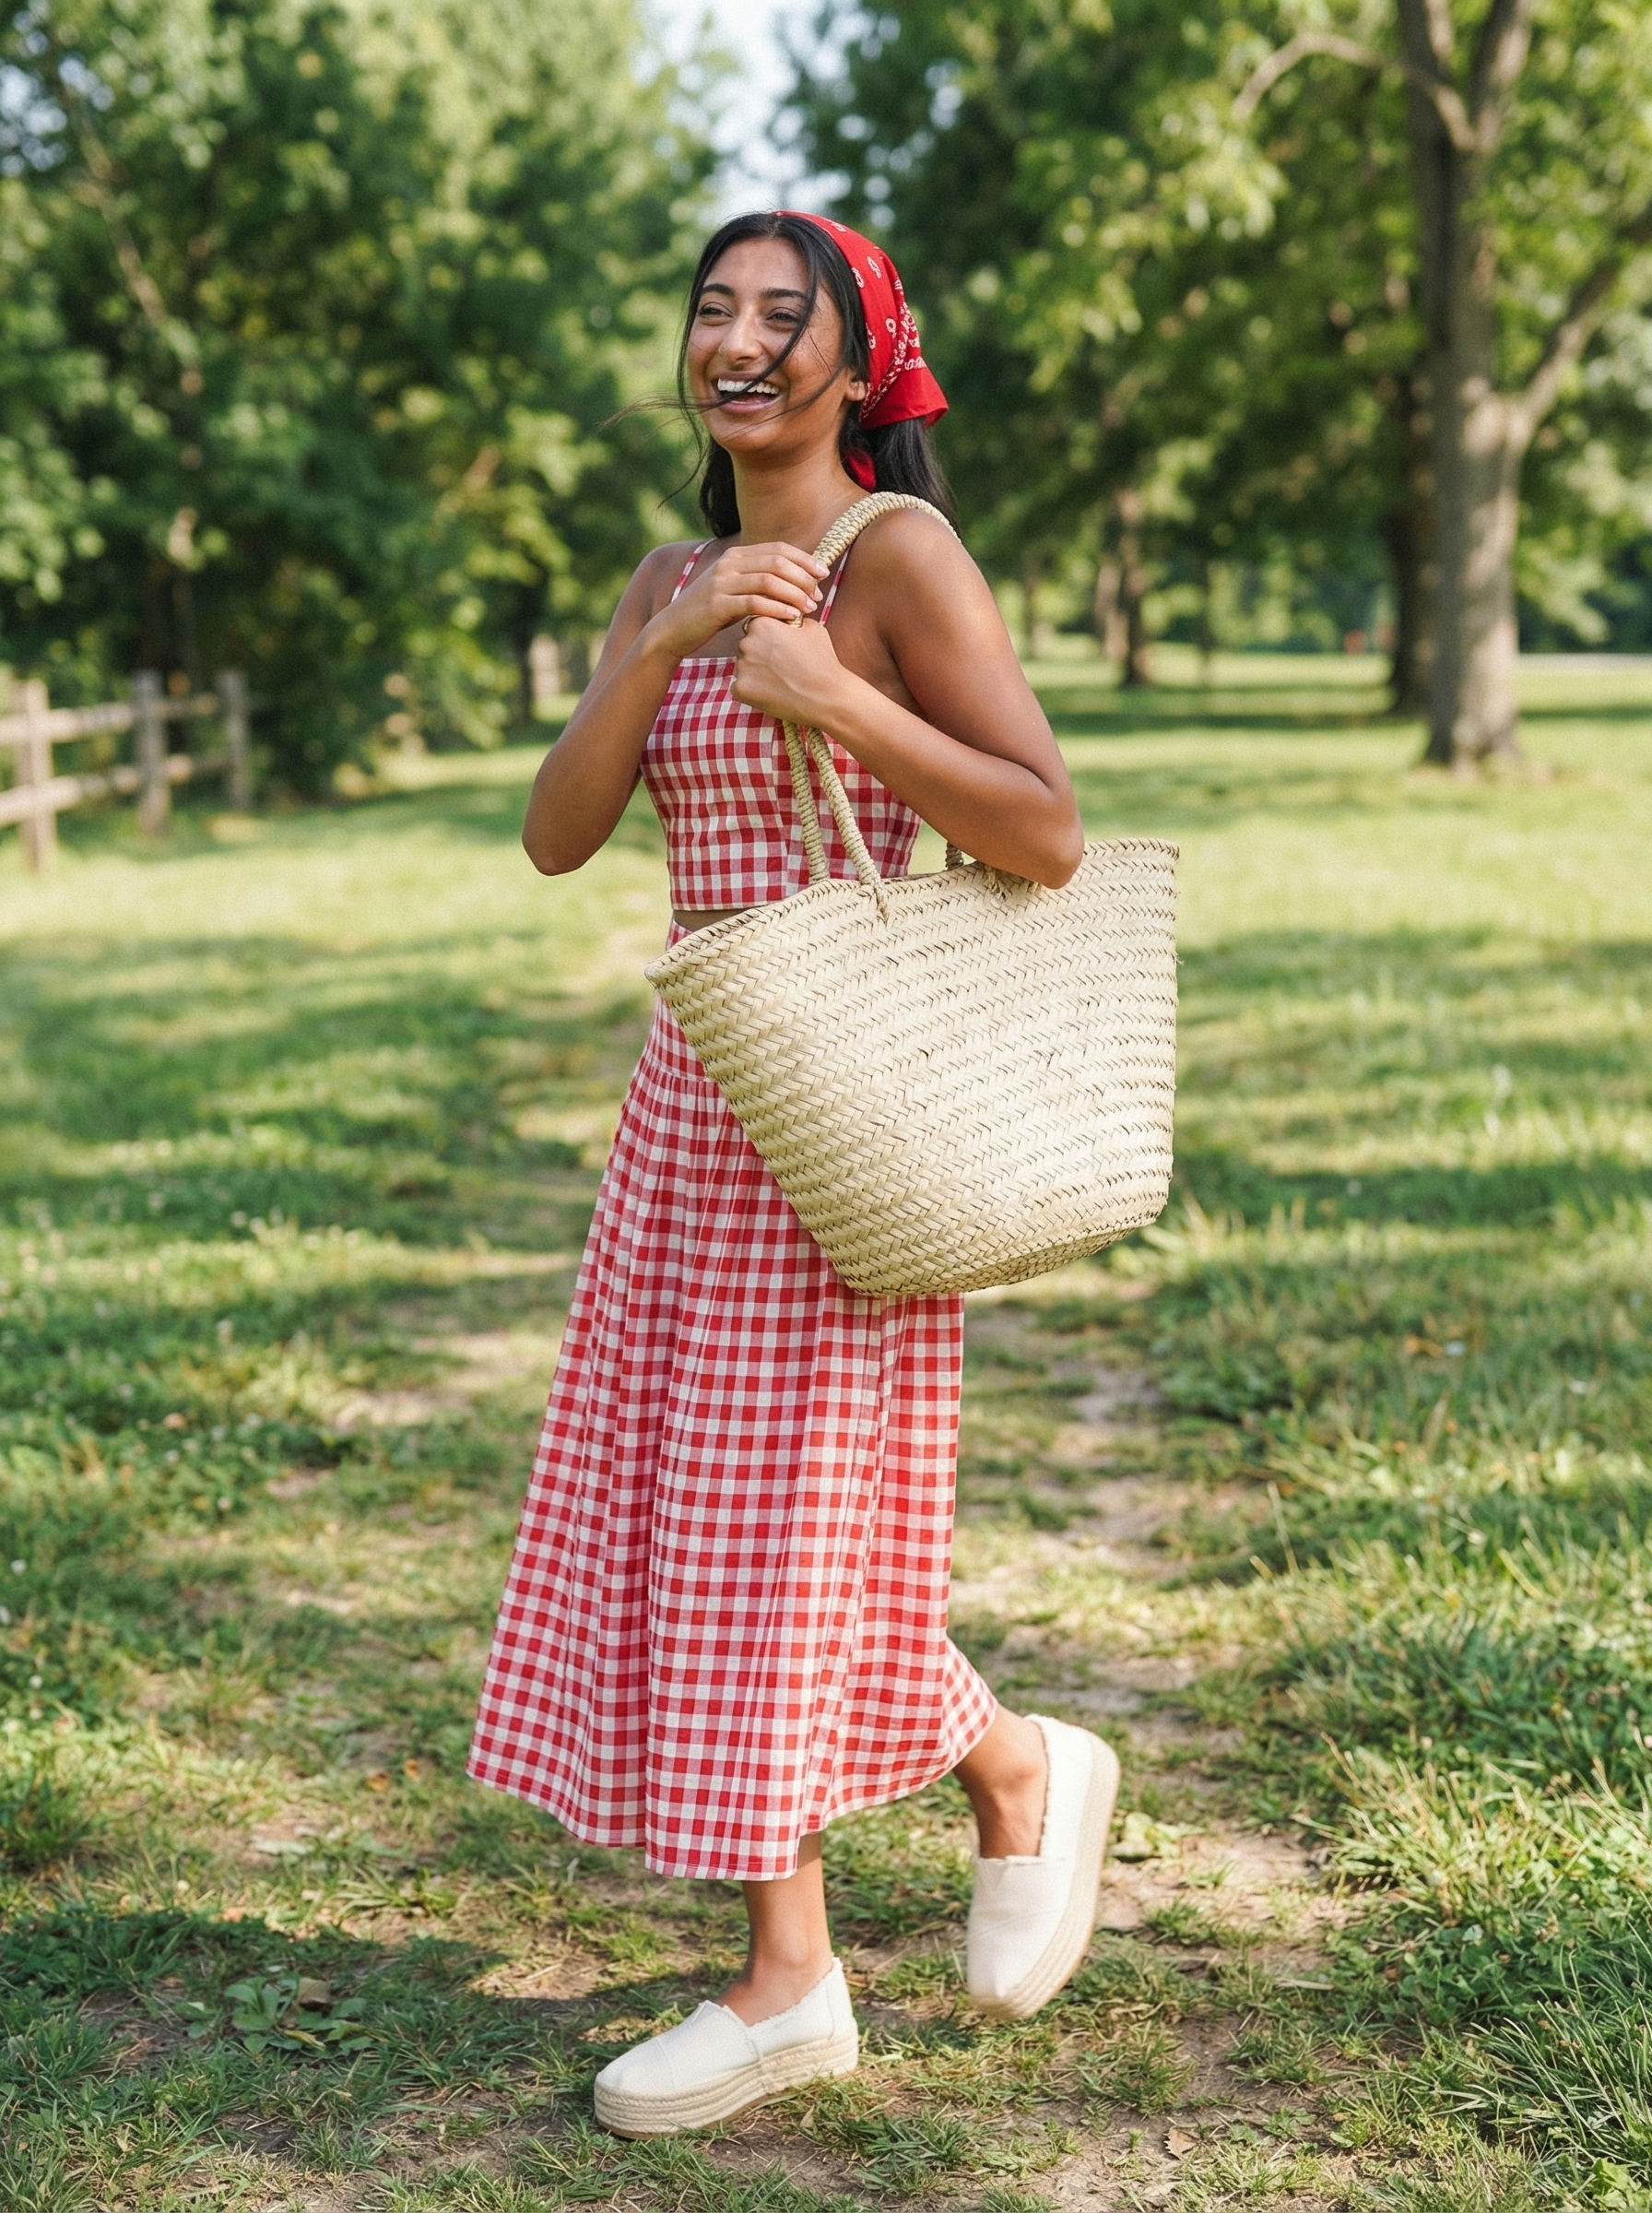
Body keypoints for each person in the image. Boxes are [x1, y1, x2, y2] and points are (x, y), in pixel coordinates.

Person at [468, 209, 1119, 2138]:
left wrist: (840, 698)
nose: (737, 341)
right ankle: (999, 1783)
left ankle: (790, 1980)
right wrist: (661, 642)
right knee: (717, 1530)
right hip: (693, 1103)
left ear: (855, 360)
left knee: (766, 1536)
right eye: (711, 309)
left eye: (782, 316)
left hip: (844, 1098)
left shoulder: (896, 554)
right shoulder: (666, 570)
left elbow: (1046, 830)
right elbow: (555, 836)